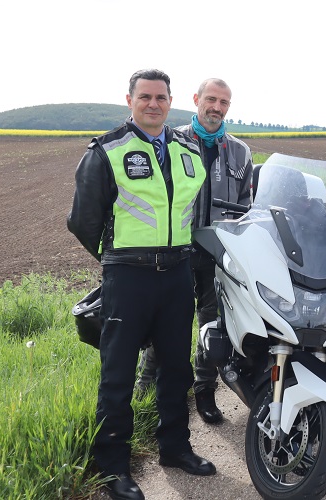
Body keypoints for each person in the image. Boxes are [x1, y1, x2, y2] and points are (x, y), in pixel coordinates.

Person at [67, 69, 216, 500]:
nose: (154, 104)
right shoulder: (107, 150)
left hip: (177, 274)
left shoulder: (189, 150)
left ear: (171, 102)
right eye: (145, 96)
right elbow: (82, 221)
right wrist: (116, 259)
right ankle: (113, 467)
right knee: (118, 375)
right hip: (128, 276)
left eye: (161, 97)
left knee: (176, 367)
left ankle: (175, 447)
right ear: (129, 100)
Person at [135, 78, 253, 425]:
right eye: (211, 99)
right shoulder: (172, 142)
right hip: (178, 250)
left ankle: (204, 391)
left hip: (219, 254)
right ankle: (145, 389)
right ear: (196, 99)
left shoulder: (241, 152)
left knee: (213, 326)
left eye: (224, 102)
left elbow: (247, 208)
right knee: (166, 324)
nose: (216, 107)